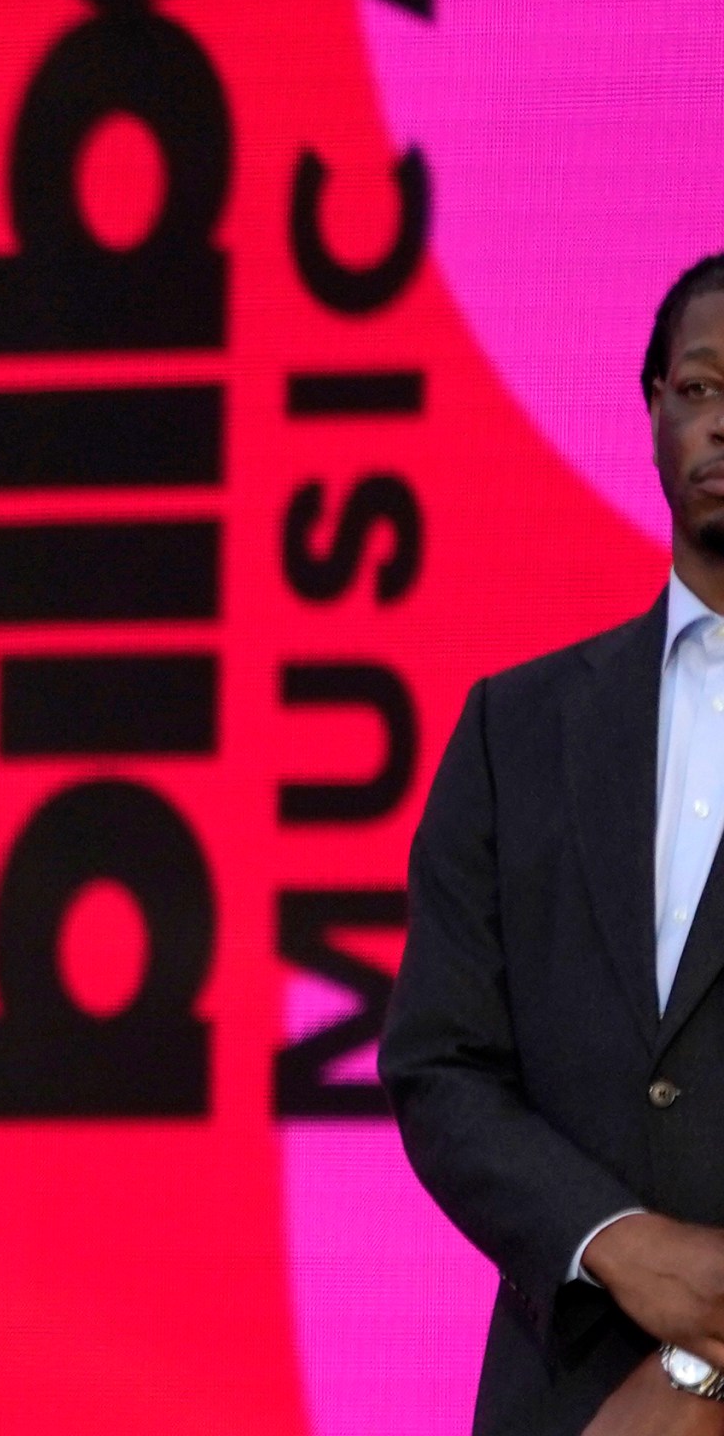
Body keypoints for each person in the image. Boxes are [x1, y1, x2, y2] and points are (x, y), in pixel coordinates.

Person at [384, 250, 724, 1436]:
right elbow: (439, 1061)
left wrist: (703, 1369)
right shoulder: (512, 730)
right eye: (699, 388)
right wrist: (616, 1244)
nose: (723, 425)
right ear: (649, 413)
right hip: (563, 1394)